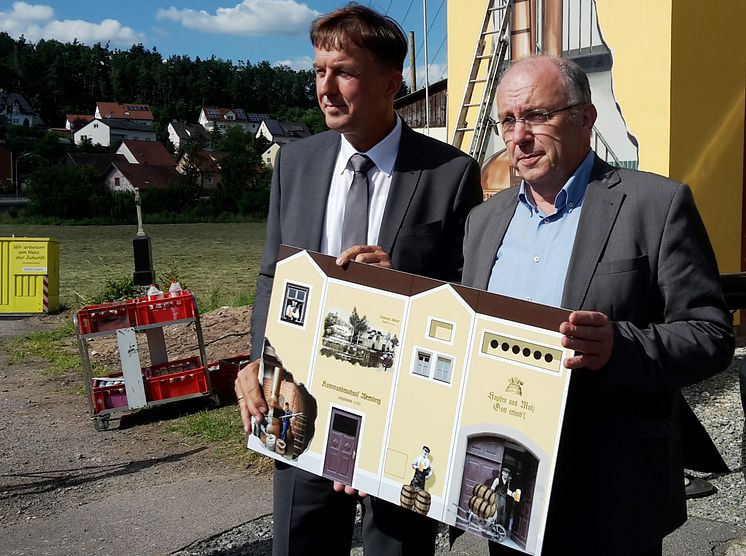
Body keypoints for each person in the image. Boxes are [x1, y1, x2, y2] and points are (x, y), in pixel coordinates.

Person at [460, 55, 734, 556]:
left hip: (612, 487)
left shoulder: (655, 204)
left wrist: (620, 345)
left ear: (586, 117)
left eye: (537, 116)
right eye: (507, 120)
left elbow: (710, 335)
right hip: (508, 482)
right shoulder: (484, 221)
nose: (518, 136)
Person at [235, 4, 482, 555]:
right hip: (300, 395)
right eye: (319, 70)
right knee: (300, 542)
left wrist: (400, 283)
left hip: (399, 408)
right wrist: (261, 360)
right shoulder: (295, 163)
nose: (326, 87)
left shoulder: (448, 174)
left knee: (396, 547)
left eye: (343, 72)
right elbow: (271, 276)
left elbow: (465, 292)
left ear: (392, 83)